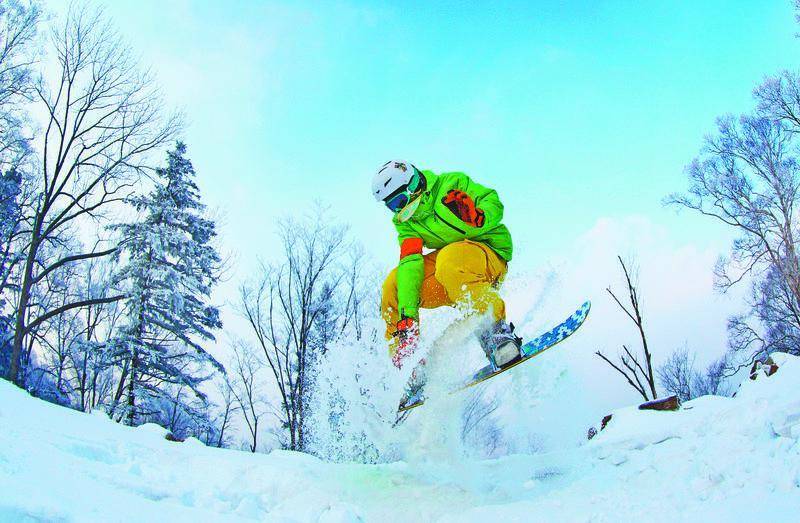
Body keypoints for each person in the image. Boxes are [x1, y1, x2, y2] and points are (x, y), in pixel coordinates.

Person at [372, 160, 522, 402]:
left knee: (450, 260)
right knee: (393, 285)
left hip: (487, 257)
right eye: (390, 207)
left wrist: (478, 217)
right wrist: (408, 316)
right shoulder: (406, 223)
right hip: (450, 273)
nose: (397, 211)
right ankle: (407, 363)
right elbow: (410, 263)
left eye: (398, 202)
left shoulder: (450, 183)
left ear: (412, 187)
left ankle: (496, 333)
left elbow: (493, 201)